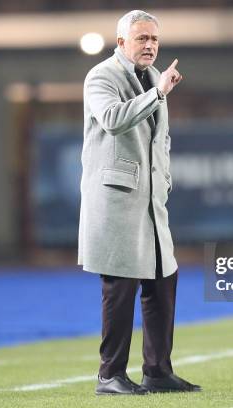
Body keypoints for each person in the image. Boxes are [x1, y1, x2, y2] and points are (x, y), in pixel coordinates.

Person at [78, 10, 201, 395]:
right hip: (116, 200)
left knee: (163, 280)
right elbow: (113, 120)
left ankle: (157, 371)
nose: (149, 46)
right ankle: (109, 375)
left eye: (154, 40)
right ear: (120, 43)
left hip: (150, 203)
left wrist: (163, 182)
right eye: (141, 39)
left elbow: (160, 139)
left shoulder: (151, 77)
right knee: (121, 285)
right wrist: (159, 92)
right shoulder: (101, 77)